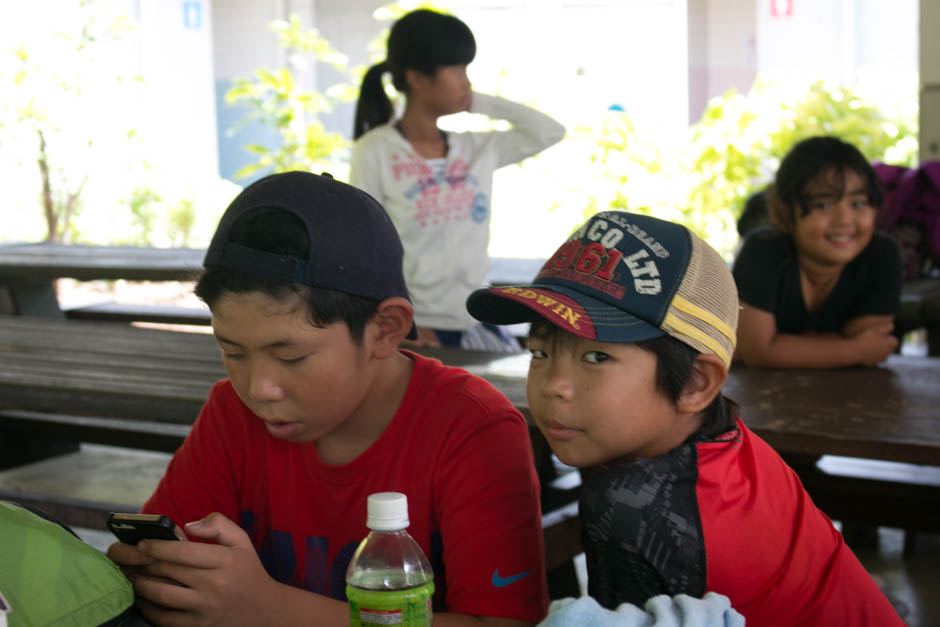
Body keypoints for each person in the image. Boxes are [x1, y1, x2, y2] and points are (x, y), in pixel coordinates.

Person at [106, 171, 548, 626]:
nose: (260, 389)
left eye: (292, 357)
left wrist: (273, 610)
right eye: (232, 352)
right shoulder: (231, 413)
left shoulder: (471, 429)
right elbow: (168, 570)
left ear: (385, 329)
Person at [466, 210, 903, 626]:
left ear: (696, 383)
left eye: (596, 356)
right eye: (540, 353)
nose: (553, 385)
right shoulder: (725, 443)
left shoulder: (632, 507)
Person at [349, 8, 565, 351]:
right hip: (416, 329)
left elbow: (550, 131)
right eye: (457, 69)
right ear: (417, 79)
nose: (466, 81)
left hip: (476, 320)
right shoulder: (375, 151)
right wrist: (399, 324)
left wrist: (477, 103)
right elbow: (363, 247)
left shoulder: (476, 149)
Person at [732, 135, 902, 368]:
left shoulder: (882, 255)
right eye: (823, 205)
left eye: (858, 203)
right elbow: (758, 352)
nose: (844, 220)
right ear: (784, 213)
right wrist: (853, 349)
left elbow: (874, 347)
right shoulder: (762, 250)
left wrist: (783, 346)